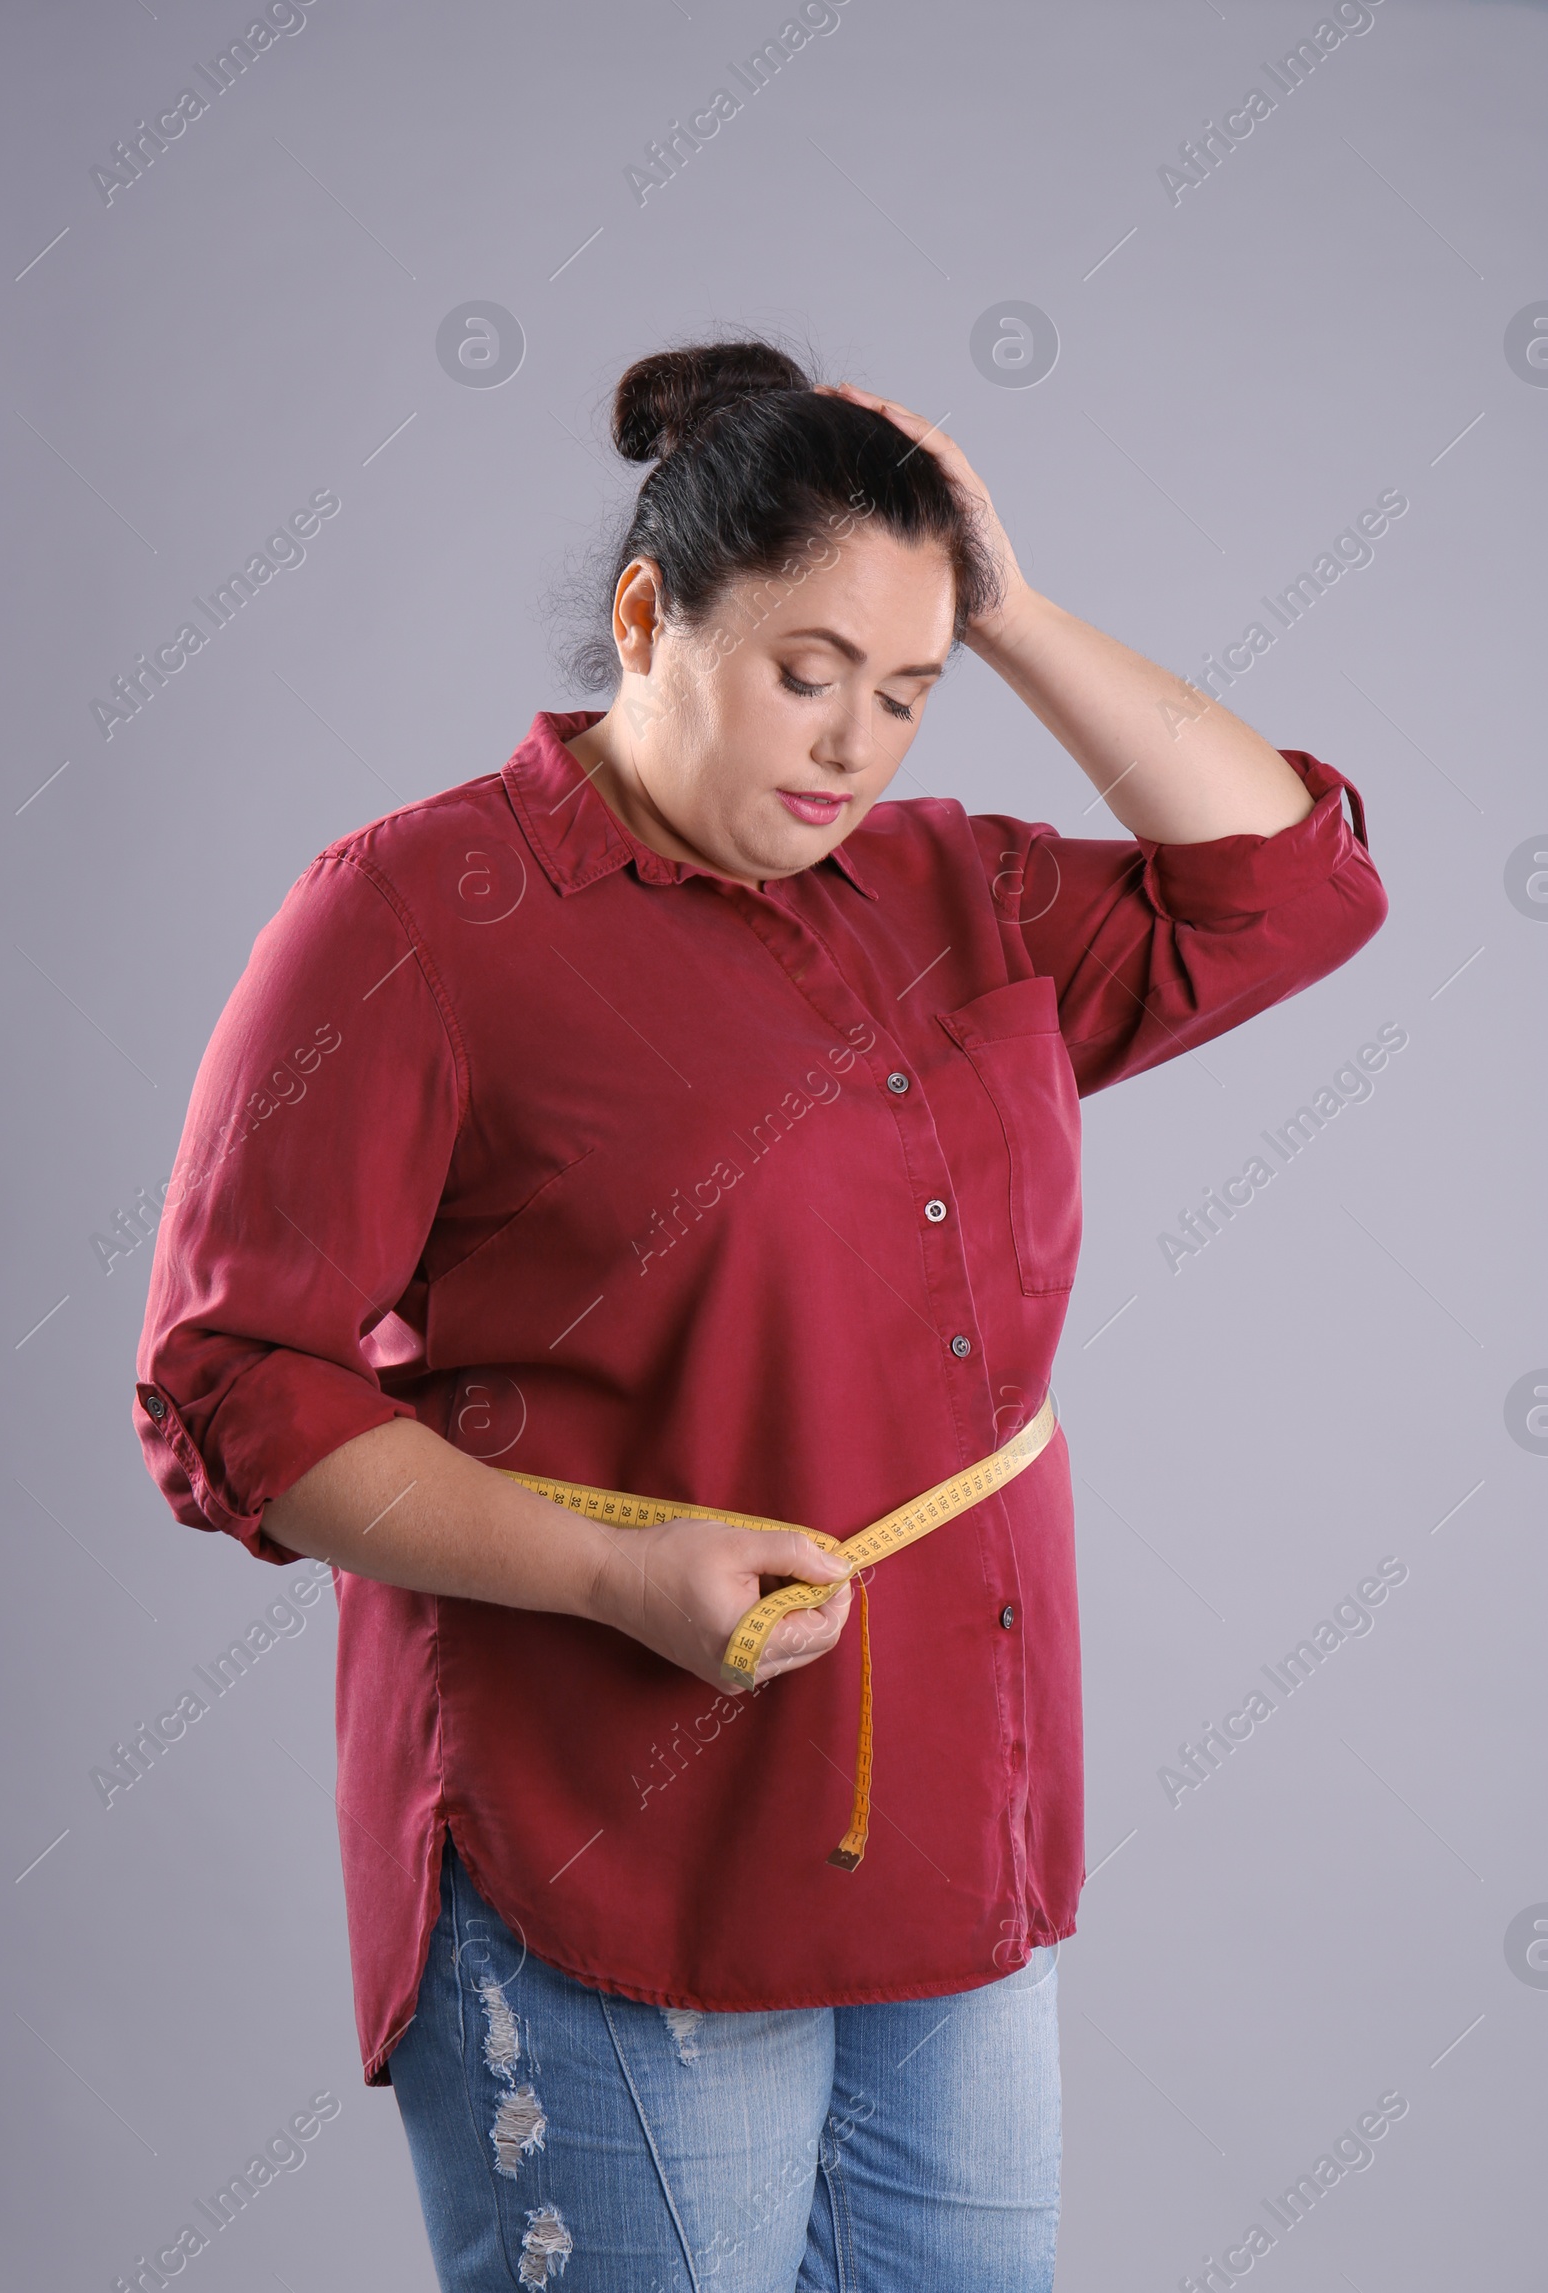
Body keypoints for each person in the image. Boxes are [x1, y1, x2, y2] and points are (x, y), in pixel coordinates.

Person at [133, 338, 1389, 2292]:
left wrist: (1013, 609)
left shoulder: (950, 887)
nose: (852, 744)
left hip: (947, 1850)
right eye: (807, 672)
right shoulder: (414, 915)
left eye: (903, 691)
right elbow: (229, 1387)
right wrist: (613, 1575)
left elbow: (1288, 888)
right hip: (604, 1846)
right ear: (648, 616)